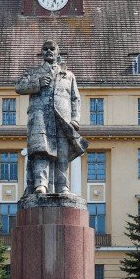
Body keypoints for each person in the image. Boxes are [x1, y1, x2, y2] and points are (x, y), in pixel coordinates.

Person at [15, 40, 88, 195]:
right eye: (45, 49)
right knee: (41, 151)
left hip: (63, 119)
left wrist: (75, 119)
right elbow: (19, 87)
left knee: (62, 154)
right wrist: (37, 83)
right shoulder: (34, 73)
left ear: (57, 52)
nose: (49, 51)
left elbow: (75, 98)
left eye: (52, 49)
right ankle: (40, 184)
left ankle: (63, 186)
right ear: (42, 52)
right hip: (40, 117)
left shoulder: (68, 75)